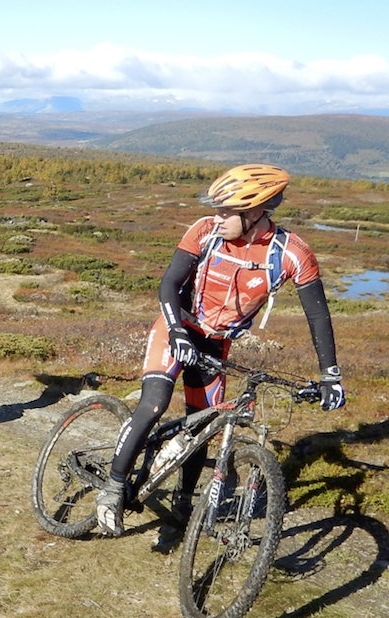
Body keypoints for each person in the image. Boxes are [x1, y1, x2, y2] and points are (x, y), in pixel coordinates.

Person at [96, 164, 346, 537]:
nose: (218, 218)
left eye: (227, 211)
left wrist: (331, 375)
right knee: (153, 404)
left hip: (216, 344)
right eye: (217, 209)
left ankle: (183, 499)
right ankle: (113, 489)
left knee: (203, 425)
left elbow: (318, 315)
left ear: (257, 211)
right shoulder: (203, 231)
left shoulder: (292, 253)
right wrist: (179, 333)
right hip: (176, 326)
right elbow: (168, 285)